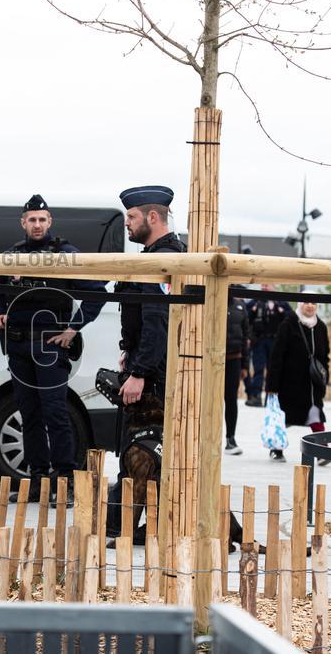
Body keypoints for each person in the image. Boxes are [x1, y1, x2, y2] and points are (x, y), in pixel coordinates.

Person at [0, 194, 107, 503]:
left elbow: (97, 292)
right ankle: (38, 479)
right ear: (23, 223)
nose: (37, 224)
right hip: (18, 346)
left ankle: (64, 482)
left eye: (42, 219)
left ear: (50, 221)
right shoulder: (11, 256)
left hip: (49, 346)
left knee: (55, 414)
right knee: (29, 414)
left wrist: (73, 328)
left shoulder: (66, 255)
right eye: (32, 219)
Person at [105, 184, 186, 537]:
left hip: (155, 377)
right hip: (150, 367)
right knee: (149, 454)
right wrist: (129, 353)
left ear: (153, 217)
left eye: (131, 216)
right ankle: (144, 525)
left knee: (141, 451)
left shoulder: (163, 258)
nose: (127, 222)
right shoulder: (157, 254)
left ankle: (125, 527)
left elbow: (157, 321)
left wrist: (139, 372)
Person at [264, 301, 329, 462]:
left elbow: (325, 356)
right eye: (306, 302)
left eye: (314, 303)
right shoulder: (288, 324)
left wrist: (324, 378)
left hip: (312, 384)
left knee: (315, 415)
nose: (310, 306)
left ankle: (322, 450)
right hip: (289, 382)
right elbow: (277, 355)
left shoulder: (320, 327)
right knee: (283, 418)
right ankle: (276, 448)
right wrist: (272, 384)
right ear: (300, 305)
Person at [244, 286, 291, 407]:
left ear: (273, 286)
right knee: (258, 369)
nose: (264, 287)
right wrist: (253, 311)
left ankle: (271, 398)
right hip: (259, 341)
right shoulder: (255, 301)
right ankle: (256, 396)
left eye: (267, 285)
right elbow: (245, 316)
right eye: (263, 285)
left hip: (275, 342)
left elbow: (291, 317)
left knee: (273, 370)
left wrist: (281, 311)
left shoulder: (280, 301)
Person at [223, 287, 250, 455]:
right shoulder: (211, 302)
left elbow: (246, 336)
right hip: (213, 359)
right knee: (209, 400)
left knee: (231, 400)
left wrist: (245, 365)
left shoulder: (240, 306)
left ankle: (230, 438)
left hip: (234, 359)